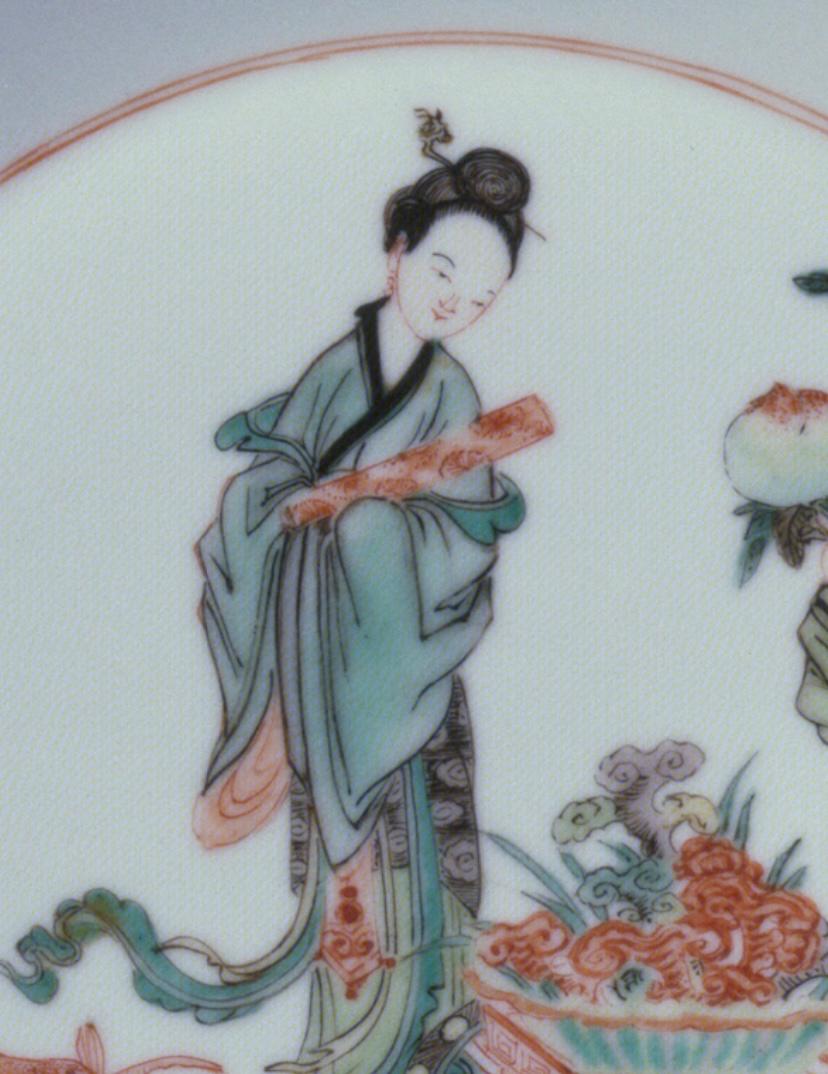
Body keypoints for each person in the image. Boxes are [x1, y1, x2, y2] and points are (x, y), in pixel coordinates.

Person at [2, 130, 535, 1074]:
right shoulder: (337, 364)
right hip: (319, 660)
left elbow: (463, 528)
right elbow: (270, 479)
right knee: (337, 872)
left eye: (482, 296)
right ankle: (341, 1039)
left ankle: (427, 1030)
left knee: (418, 855)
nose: (457, 301)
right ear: (397, 253)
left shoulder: (452, 390)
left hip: (400, 665)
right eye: (445, 270)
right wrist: (298, 512)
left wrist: (367, 533)